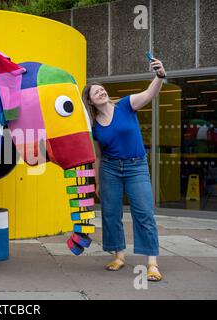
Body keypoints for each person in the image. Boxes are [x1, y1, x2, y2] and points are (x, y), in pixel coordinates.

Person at [82, 58, 166, 282]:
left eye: (102, 89)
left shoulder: (126, 105)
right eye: (96, 92)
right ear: (90, 101)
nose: (101, 92)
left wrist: (159, 76)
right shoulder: (95, 125)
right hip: (110, 169)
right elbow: (98, 156)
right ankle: (118, 256)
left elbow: (149, 93)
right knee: (110, 214)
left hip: (136, 166)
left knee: (144, 213)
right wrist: (97, 182)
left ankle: (152, 263)